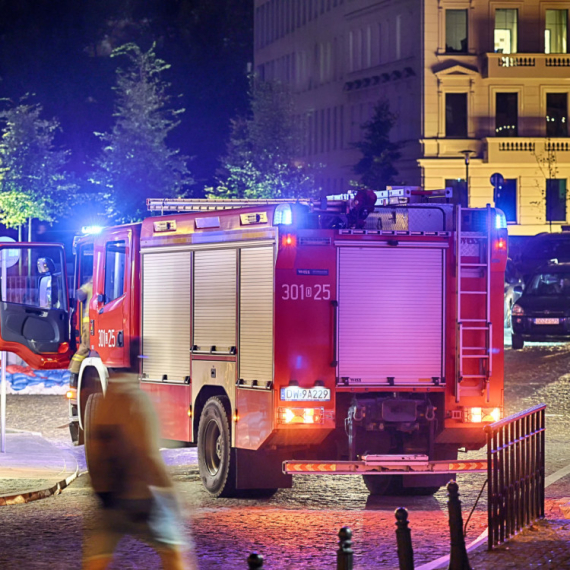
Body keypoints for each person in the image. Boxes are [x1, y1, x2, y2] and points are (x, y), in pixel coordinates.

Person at [83, 369, 196, 570]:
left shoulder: (103, 401)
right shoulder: (138, 400)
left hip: (108, 498)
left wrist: (98, 487)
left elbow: (94, 448)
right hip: (141, 499)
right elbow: (149, 454)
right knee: (174, 553)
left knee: (97, 559)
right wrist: (172, 494)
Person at [68, 276, 93, 385]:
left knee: (85, 348)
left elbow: (80, 295)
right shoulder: (93, 284)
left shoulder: (91, 284)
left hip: (91, 321)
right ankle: (74, 374)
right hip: (90, 322)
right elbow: (79, 294)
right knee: (85, 348)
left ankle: (74, 372)